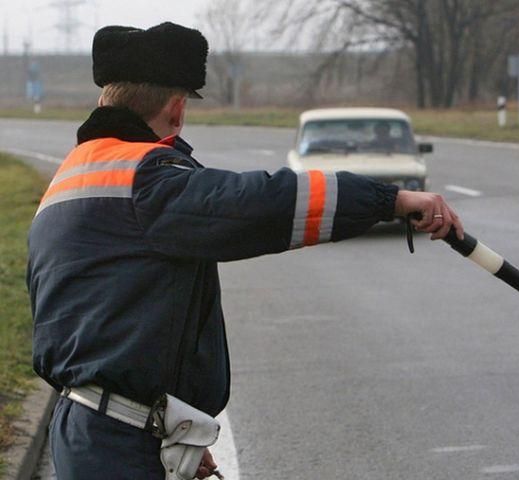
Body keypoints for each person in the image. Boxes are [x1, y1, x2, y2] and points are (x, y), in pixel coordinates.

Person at [27, 22, 463, 480]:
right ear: (176, 110)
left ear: (107, 99)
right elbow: (260, 206)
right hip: (117, 446)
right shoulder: (146, 179)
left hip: (89, 428)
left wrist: (164, 425)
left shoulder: (69, 178)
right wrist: (387, 200)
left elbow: (82, 323)